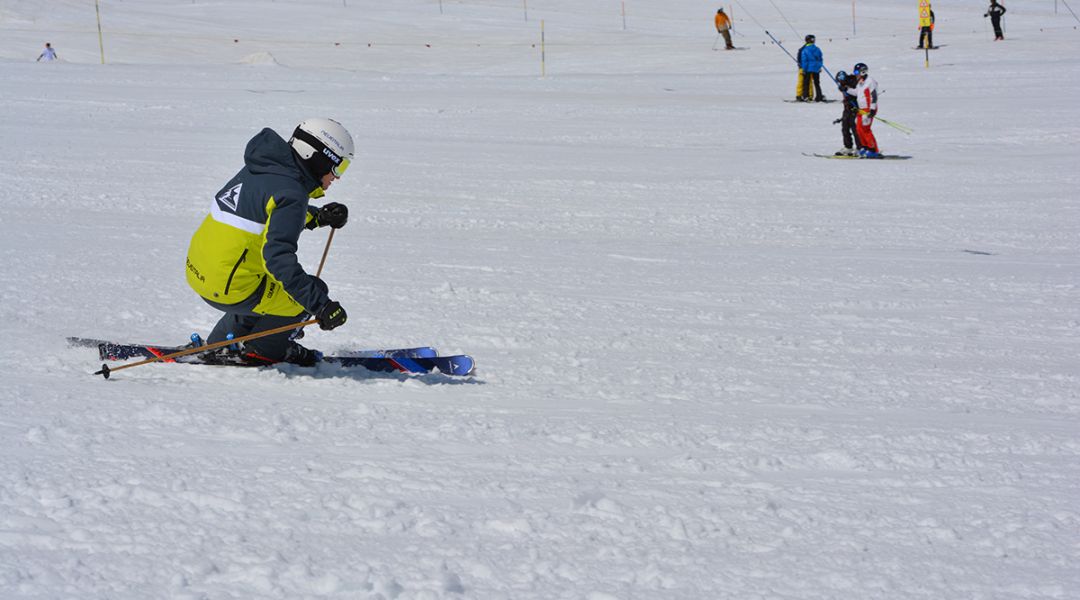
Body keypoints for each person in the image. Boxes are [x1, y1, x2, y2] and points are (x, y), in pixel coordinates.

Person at [184, 118, 353, 366]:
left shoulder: (263, 168)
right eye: (339, 167)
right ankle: (262, 350)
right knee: (310, 289)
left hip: (201, 273)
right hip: (231, 288)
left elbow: (267, 212)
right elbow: (279, 261)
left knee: (262, 283)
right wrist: (321, 306)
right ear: (317, 157)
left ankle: (221, 343)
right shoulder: (292, 191)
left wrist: (318, 217)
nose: (337, 177)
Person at [846, 63, 881, 158]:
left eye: (856, 72)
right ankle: (865, 147)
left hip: (868, 109)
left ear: (863, 71)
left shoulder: (870, 81)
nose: (855, 74)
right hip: (861, 109)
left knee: (865, 129)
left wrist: (872, 109)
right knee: (858, 128)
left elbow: (874, 96)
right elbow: (857, 93)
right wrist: (846, 90)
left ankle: (873, 150)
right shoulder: (860, 82)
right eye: (854, 72)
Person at [833, 70, 863, 156]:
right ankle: (848, 147)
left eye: (841, 81)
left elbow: (858, 94)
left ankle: (860, 148)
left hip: (855, 108)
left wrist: (848, 92)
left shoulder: (854, 82)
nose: (840, 83)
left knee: (855, 128)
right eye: (839, 82)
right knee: (845, 127)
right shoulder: (842, 84)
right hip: (847, 108)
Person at [798, 34, 825, 102]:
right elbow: (820, 59)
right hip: (816, 68)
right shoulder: (817, 49)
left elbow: (804, 60)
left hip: (808, 69)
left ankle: (806, 96)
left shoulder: (805, 50)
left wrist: (804, 69)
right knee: (817, 83)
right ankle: (819, 96)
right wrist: (819, 67)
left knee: (806, 82)